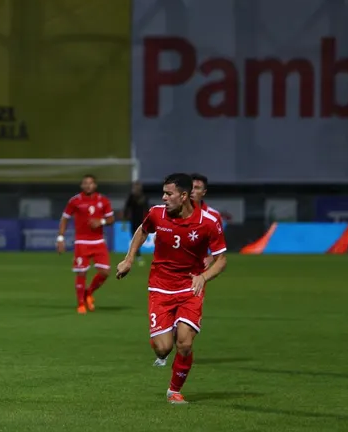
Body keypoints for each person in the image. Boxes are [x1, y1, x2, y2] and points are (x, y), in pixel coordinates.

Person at [116, 173, 228, 404]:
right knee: (163, 349)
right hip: (160, 287)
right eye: (164, 193)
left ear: (184, 196)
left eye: (169, 194)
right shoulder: (157, 213)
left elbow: (221, 260)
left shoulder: (208, 221)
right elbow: (143, 230)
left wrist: (204, 277)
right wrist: (129, 259)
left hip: (190, 287)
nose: (164, 198)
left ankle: (174, 391)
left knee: (184, 343)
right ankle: (165, 337)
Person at [56, 174, 114, 314]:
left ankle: (88, 292)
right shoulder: (75, 201)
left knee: (105, 272)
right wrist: (60, 238)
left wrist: (101, 221)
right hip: (81, 242)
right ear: (82, 185)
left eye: (91, 183)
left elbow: (111, 219)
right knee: (81, 272)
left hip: (98, 241)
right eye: (85, 183)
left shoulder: (103, 200)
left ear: (95, 185)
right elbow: (65, 219)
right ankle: (81, 304)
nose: (88, 185)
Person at [190, 173, 227, 269]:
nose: (192, 191)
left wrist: (210, 258)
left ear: (204, 192)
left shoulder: (213, 216)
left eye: (197, 188)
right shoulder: (174, 212)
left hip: (198, 267)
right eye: (190, 187)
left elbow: (219, 246)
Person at [123, 181, 149, 266]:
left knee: (140, 239)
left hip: (142, 222)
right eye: (135, 187)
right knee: (134, 238)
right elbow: (127, 208)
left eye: (138, 187)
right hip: (133, 221)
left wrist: (148, 219)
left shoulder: (144, 197)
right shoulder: (131, 197)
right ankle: (136, 255)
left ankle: (136, 255)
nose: (137, 188)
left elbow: (147, 209)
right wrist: (124, 221)